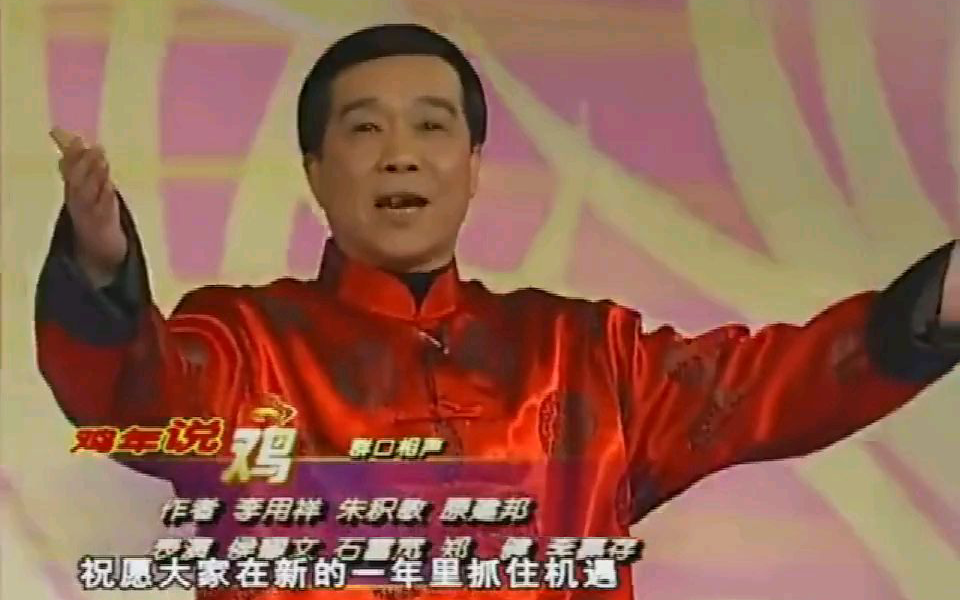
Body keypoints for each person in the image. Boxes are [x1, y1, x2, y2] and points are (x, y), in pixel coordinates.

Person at [36, 23, 960, 599]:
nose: (400, 154)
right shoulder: (245, 348)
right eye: (364, 129)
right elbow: (136, 393)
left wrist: (944, 301)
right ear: (316, 171)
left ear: (474, 167)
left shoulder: (587, 353)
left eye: (432, 126)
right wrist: (101, 267)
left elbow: (780, 383)